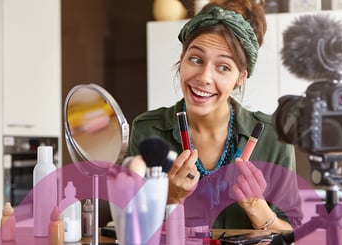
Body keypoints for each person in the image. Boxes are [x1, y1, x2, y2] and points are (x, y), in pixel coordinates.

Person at [128, 0, 303, 230]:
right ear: (182, 57)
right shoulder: (146, 130)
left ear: (240, 76)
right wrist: (170, 199)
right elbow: (130, 227)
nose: (204, 77)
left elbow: (295, 235)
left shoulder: (273, 138)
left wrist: (256, 207)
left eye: (223, 67)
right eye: (196, 59)